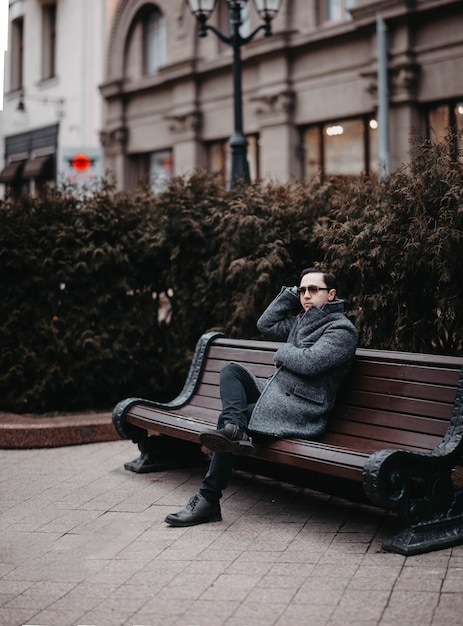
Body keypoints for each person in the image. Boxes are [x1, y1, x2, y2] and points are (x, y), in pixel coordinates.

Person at [165, 267, 359, 527]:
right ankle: (235, 429)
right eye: (302, 290)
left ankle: (208, 498)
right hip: (278, 394)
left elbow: (311, 363)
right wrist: (289, 294)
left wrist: (282, 353)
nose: (306, 296)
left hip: (302, 409)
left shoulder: (342, 330)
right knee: (232, 371)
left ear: (332, 294)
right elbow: (266, 323)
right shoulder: (301, 322)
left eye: (314, 290)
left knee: (230, 420)